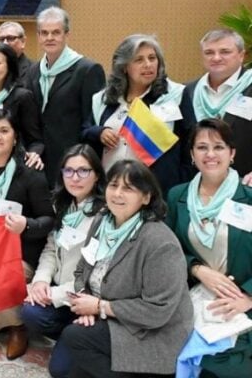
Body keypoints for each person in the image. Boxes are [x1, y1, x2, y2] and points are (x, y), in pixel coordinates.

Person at [61, 160, 193, 377]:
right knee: (61, 369)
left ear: (146, 197)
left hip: (150, 331)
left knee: (74, 338)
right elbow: (81, 270)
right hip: (108, 316)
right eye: (113, 185)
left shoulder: (160, 242)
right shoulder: (102, 222)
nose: (117, 194)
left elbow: (157, 311)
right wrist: (85, 301)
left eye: (128, 188)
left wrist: (100, 307)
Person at [166, 118, 252, 378]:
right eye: (202, 147)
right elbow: (167, 252)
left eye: (219, 147)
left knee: (221, 364)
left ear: (232, 153)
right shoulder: (177, 196)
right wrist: (197, 269)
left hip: (240, 303)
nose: (210, 154)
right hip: (192, 300)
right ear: (192, 155)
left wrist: (248, 298)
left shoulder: (248, 199)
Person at [0, 109, 54, 359]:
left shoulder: (30, 172)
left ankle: (17, 327)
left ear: (15, 138)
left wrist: (26, 225)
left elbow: (49, 219)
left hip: (21, 249)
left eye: (4, 131)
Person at [21, 144, 106, 377]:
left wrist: (54, 294)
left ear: (97, 175)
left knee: (60, 371)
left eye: (83, 171)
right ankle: (70, 336)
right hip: (63, 296)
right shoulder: (63, 205)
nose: (74, 178)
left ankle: (83, 337)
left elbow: (96, 274)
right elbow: (51, 248)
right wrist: (40, 281)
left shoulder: (104, 215)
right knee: (29, 312)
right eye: (69, 171)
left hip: (88, 296)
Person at [84, 35, 186, 193]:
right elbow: (85, 130)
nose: (148, 65)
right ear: (124, 67)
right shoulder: (104, 99)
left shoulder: (174, 96)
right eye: (139, 60)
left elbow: (189, 143)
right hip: (110, 188)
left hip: (154, 189)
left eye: (152, 58)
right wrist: (100, 132)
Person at [25, 7, 105, 182]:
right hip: (39, 161)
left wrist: (85, 165)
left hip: (74, 164)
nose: (50, 38)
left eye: (56, 32)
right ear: (38, 36)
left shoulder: (87, 70)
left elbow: (92, 121)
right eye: (44, 33)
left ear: (67, 35)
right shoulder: (33, 71)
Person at [181, 29, 252, 180]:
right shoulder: (187, 91)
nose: (216, 58)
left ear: (241, 55)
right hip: (196, 183)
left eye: (225, 52)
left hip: (245, 183)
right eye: (209, 52)